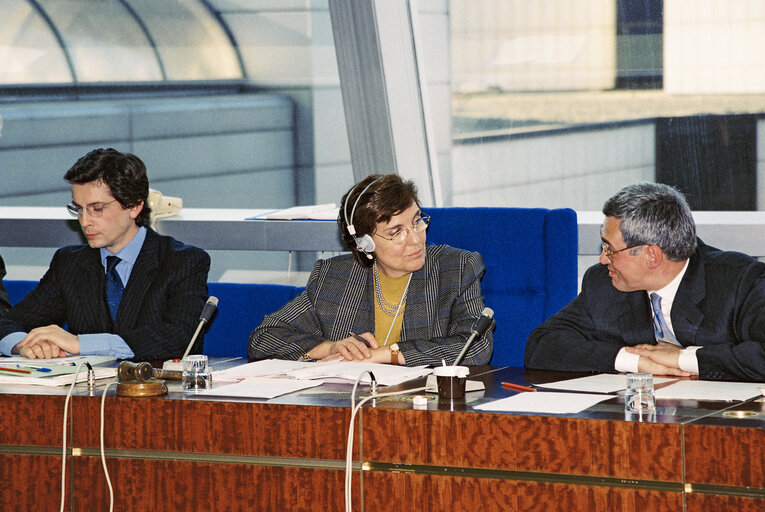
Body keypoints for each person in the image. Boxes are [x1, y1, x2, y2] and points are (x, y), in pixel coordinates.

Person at [525, 182, 765, 382]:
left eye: (610, 249)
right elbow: (541, 345)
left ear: (652, 255)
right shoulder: (605, 283)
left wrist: (683, 359)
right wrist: (635, 361)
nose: (601, 259)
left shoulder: (739, 280)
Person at [249, 174, 493, 366]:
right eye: (396, 232)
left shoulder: (456, 268)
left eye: (417, 221)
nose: (417, 239)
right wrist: (329, 348)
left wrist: (387, 354)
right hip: (350, 406)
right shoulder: (334, 277)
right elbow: (264, 337)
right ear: (364, 243)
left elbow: (476, 346)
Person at [0, 148, 211, 360]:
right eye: (79, 209)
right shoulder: (70, 263)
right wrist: (23, 345)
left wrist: (80, 343)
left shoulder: (182, 261)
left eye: (97, 208)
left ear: (134, 206)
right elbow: (8, 324)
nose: (84, 221)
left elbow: (183, 337)